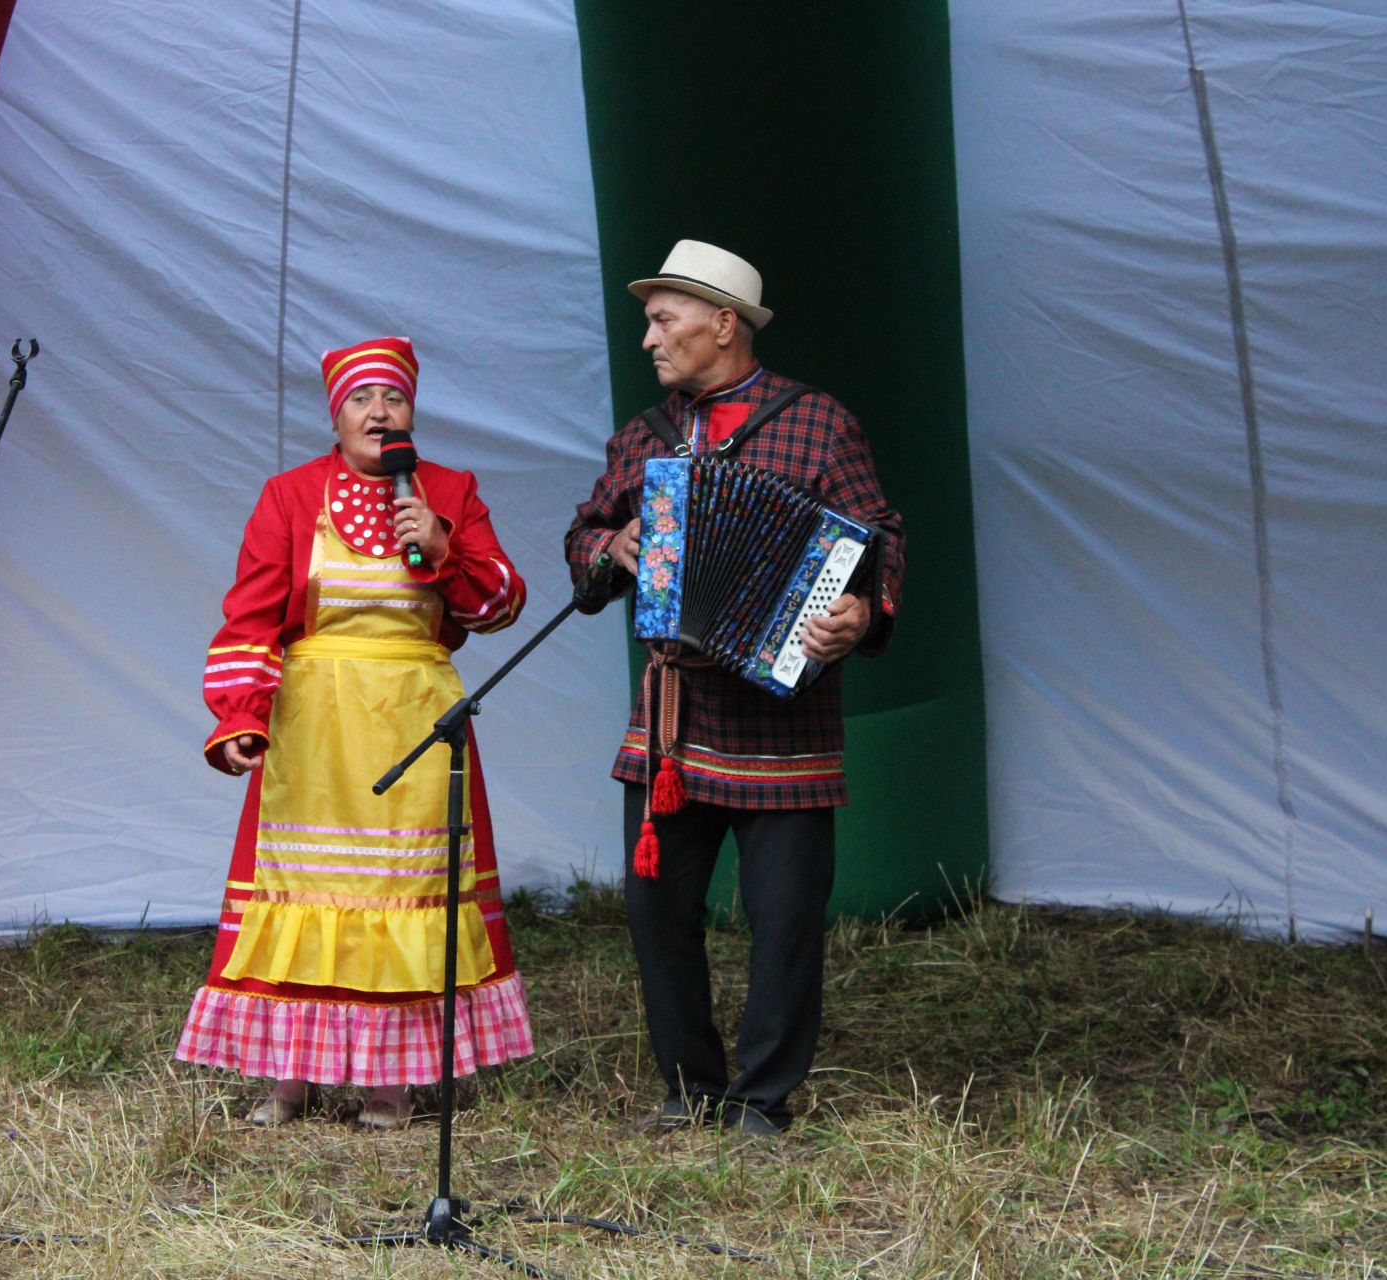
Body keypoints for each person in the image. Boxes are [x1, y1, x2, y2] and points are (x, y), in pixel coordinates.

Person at [565, 241, 906, 1136]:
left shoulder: (818, 424)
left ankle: (762, 1098)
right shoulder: (645, 438)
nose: (648, 338)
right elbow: (584, 536)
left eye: (663, 317)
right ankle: (689, 1087)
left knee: (785, 916)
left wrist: (862, 614)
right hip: (676, 717)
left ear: (724, 323)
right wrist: (611, 549)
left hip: (783, 718)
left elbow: (880, 535)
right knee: (656, 907)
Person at [176, 335, 534, 1129]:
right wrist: (239, 713)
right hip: (315, 729)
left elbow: (502, 605)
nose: (380, 412)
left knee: (403, 892)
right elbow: (251, 616)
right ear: (336, 417)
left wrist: (442, 547)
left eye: (394, 399)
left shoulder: (449, 489)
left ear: (412, 412)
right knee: (300, 890)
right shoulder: (290, 495)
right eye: (362, 399)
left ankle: (391, 1084)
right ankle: (286, 1077)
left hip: (416, 719)